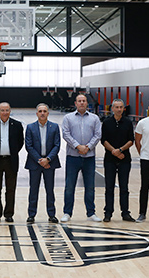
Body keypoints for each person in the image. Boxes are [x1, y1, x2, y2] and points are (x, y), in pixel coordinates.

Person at [61, 94, 102, 222]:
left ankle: (91, 213)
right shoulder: (68, 118)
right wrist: (78, 146)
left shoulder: (94, 118)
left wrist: (88, 147)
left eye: (84, 101)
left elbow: (97, 135)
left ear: (86, 103)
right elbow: (66, 134)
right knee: (69, 186)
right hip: (73, 157)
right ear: (75, 103)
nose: (82, 103)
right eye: (79, 101)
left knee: (90, 187)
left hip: (89, 157)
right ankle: (67, 213)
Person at [0, 102, 24, 223]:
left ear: (10, 111)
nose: (5, 112)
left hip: (10, 161)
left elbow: (20, 142)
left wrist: (11, 152)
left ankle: (9, 214)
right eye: (2, 110)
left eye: (7, 110)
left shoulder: (17, 125)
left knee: (11, 189)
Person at [25, 103, 61, 224]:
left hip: (50, 164)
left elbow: (57, 145)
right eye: (40, 111)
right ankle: (31, 214)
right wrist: (40, 160)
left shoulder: (55, 127)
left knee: (50, 190)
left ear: (48, 113)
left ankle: (51, 214)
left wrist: (48, 159)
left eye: (44, 111)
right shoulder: (30, 127)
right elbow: (28, 146)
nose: (42, 113)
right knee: (33, 190)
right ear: (37, 113)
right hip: (35, 164)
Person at [101, 99, 135, 222]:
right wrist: (114, 151)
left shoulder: (128, 122)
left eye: (121, 107)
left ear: (123, 108)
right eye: (116, 107)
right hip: (110, 159)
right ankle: (108, 213)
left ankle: (125, 213)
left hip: (124, 160)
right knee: (109, 187)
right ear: (112, 108)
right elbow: (103, 140)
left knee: (124, 187)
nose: (119, 109)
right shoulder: (106, 122)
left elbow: (131, 140)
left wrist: (120, 150)